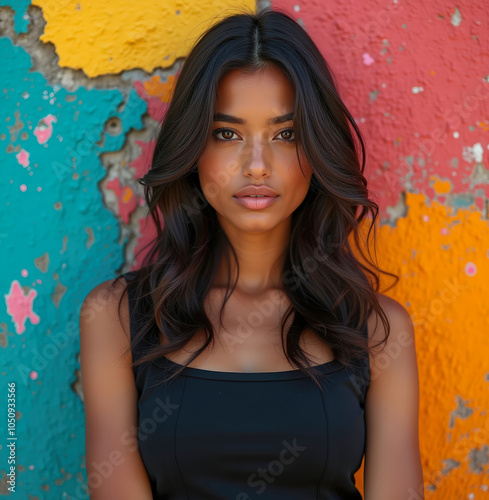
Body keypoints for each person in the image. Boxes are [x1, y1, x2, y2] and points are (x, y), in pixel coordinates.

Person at [79, 7, 423, 500]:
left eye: (286, 134)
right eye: (227, 133)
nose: (257, 165)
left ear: (318, 148)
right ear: (193, 148)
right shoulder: (114, 317)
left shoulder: (377, 330)